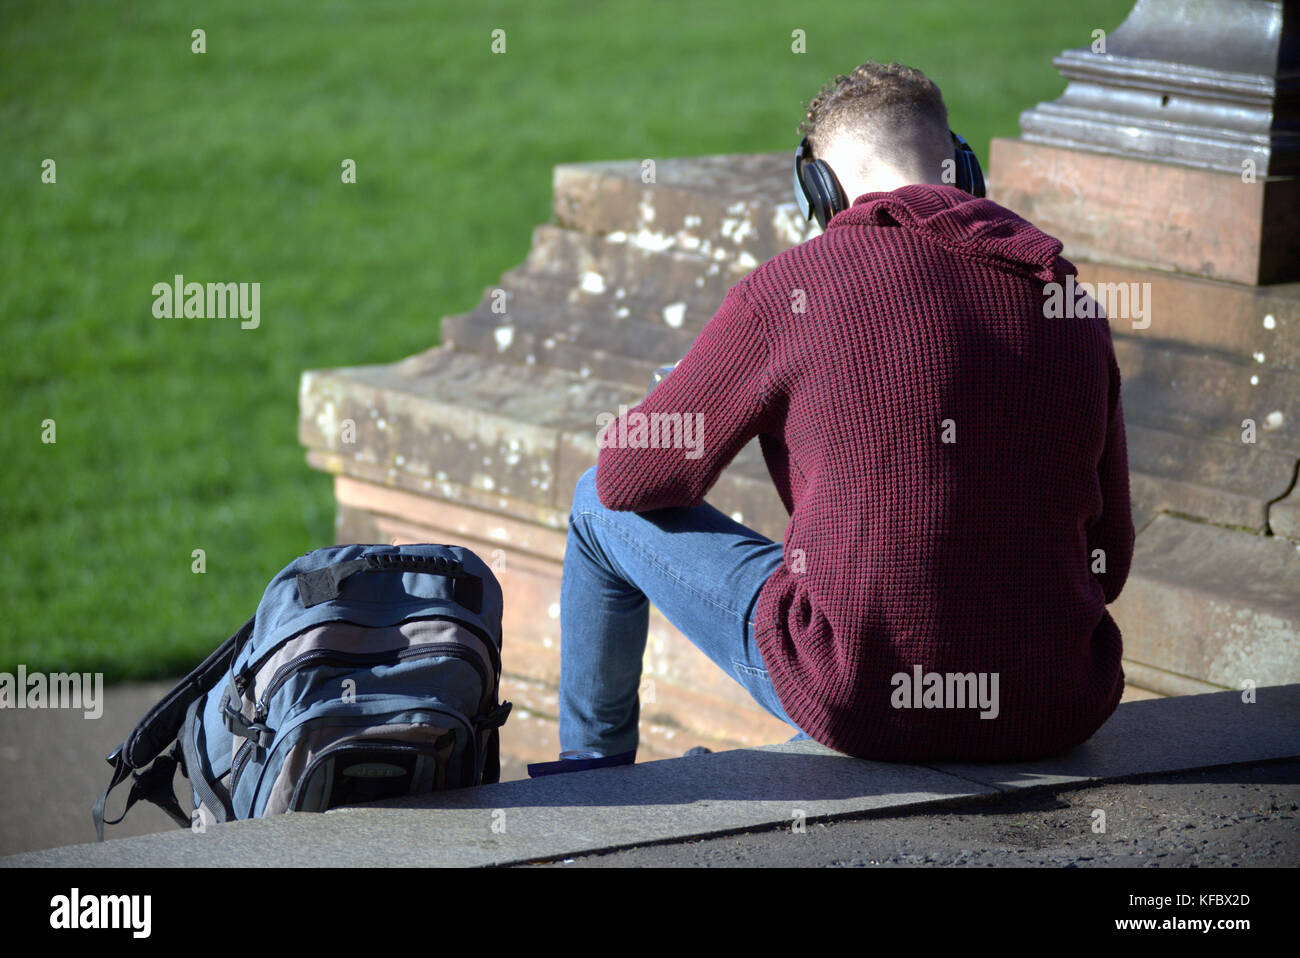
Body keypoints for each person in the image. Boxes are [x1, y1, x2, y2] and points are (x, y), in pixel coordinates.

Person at [526, 61, 1133, 777]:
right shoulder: (1069, 304)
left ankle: (590, 776)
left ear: (819, 188)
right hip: (1057, 704)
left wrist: (677, 406)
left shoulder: (788, 291)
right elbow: (1111, 562)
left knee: (594, 501)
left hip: (860, 693)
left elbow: (631, 481)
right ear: (961, 169)